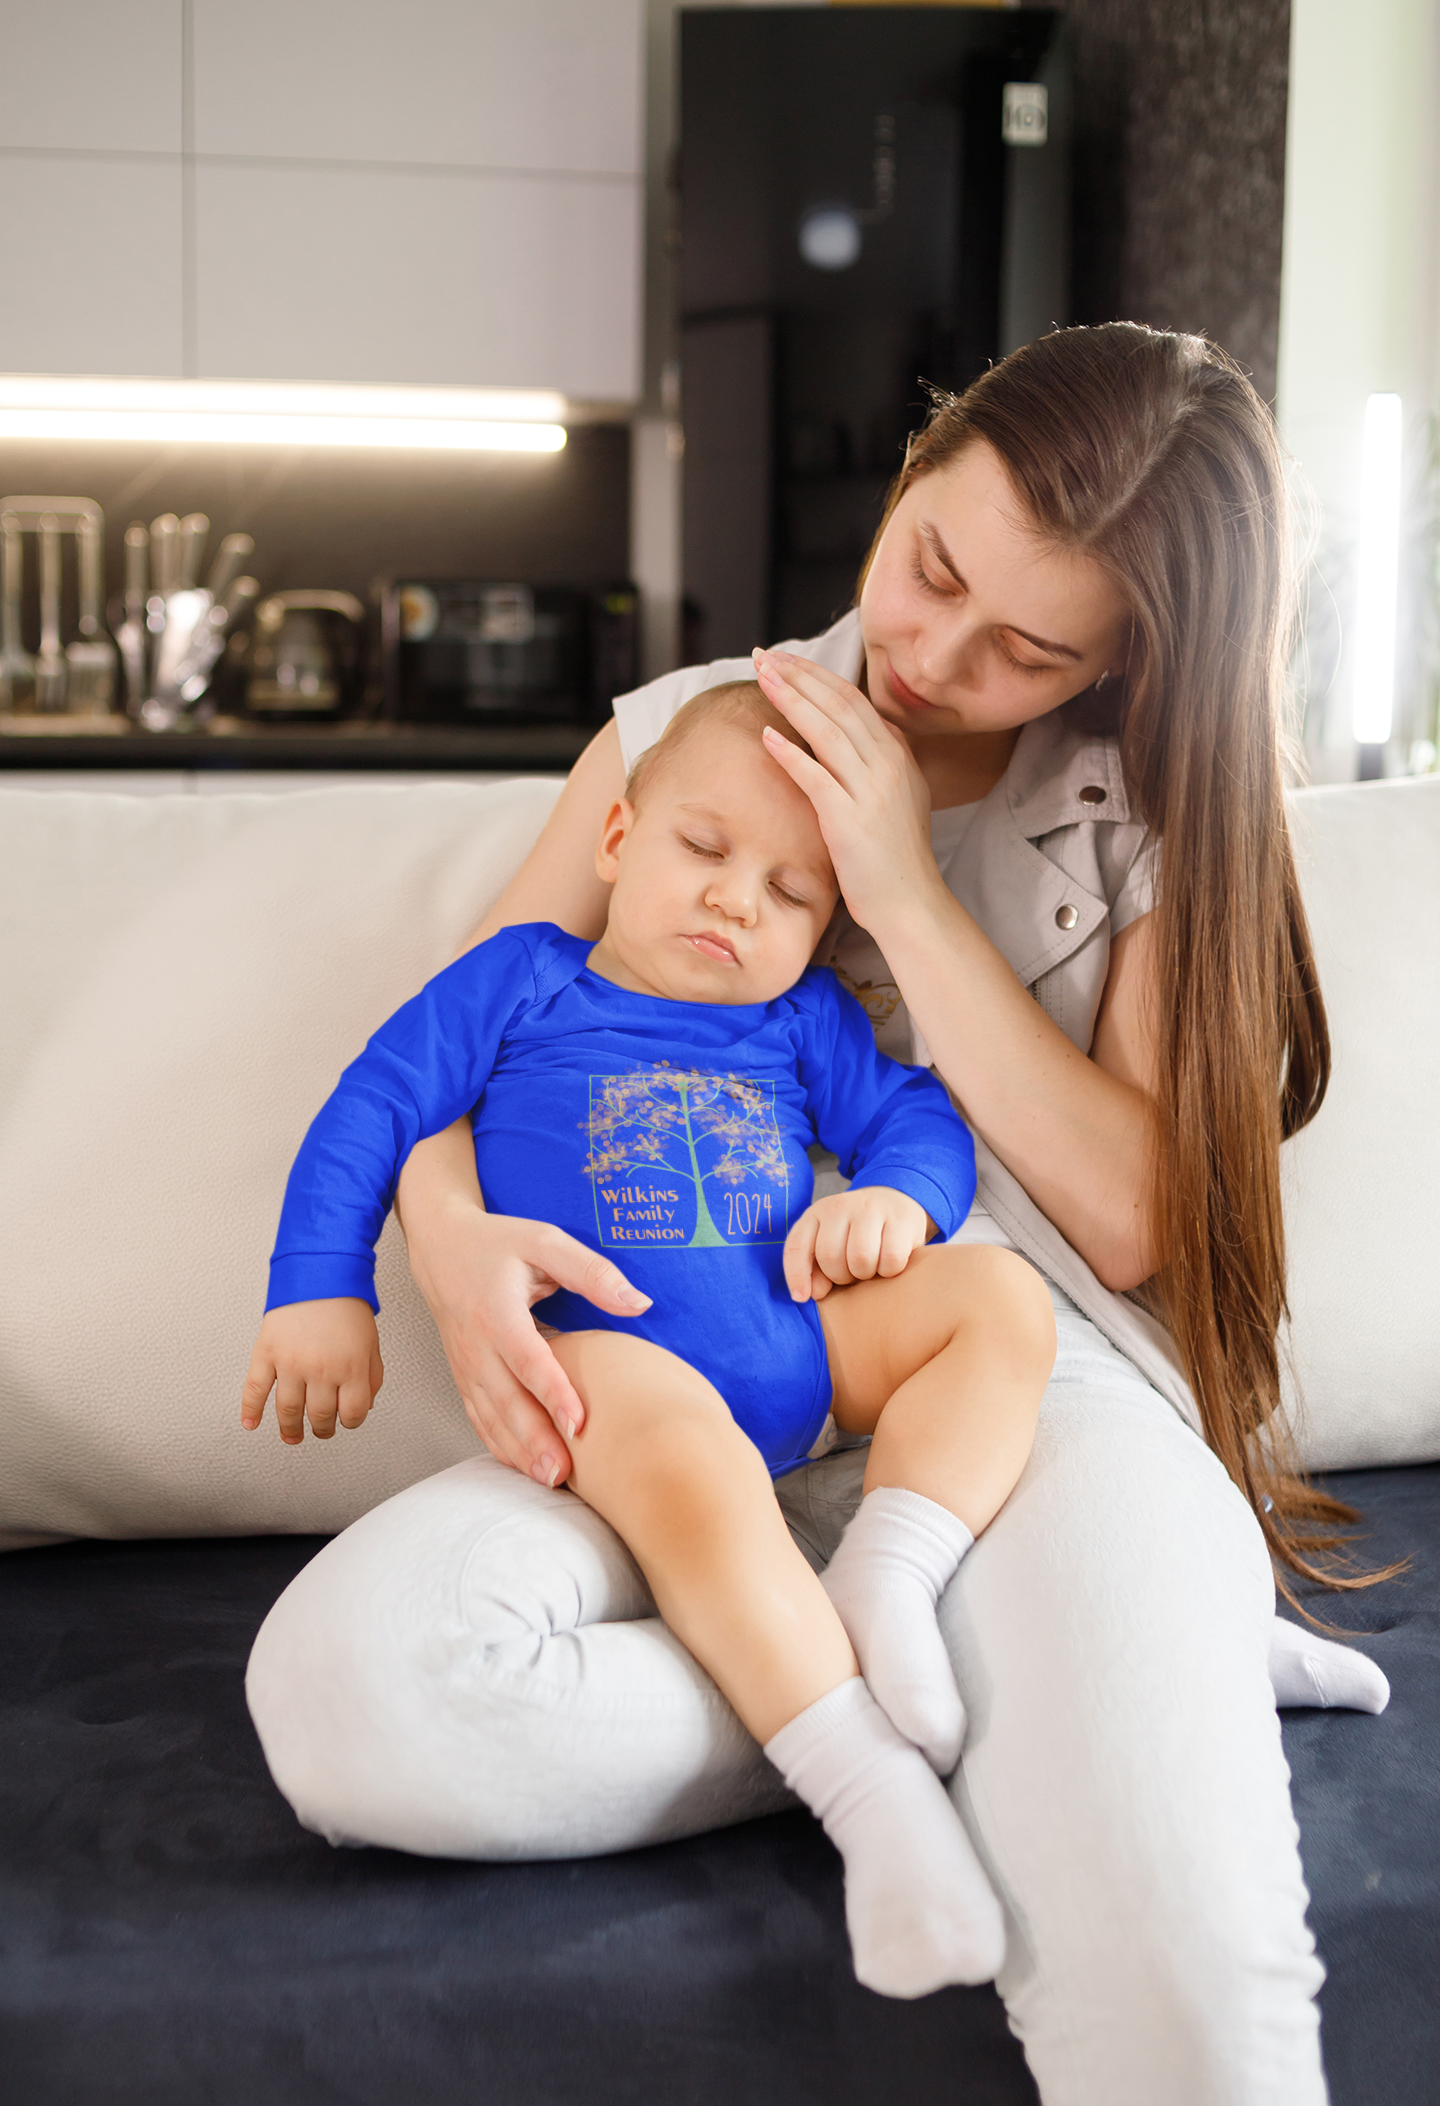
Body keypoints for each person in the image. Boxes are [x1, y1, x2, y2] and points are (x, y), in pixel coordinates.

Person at [245, 325, 1389, 2103]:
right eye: (933, 565)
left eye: (1029, 648)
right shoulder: (681, 738)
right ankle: (946, 1715)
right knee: (356, 1692)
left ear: (1126, 665)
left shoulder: (1146, 810)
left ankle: (1061, 1674)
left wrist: (897, 894)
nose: (932, 657)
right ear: (917, 464)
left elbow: (1136, 1221)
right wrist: (446, 1234)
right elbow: (455, 1043)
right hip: (656, 1390)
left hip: (999, 1388)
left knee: (1183, 1949)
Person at [243, 682, 1058, 1997]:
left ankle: (894, 1569)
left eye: (794, 893)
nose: (740, 899)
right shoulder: (523, 979)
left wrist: (901, 1203)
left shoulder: (804, 1022)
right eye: (705, 848)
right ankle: (872, 1796)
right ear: (617, 839)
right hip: (607, 1352)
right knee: (694, 1463)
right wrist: (317, 1288)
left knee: (999, 1304)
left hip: (800, 1340)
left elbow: (918, 1114)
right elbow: (374, 1106)